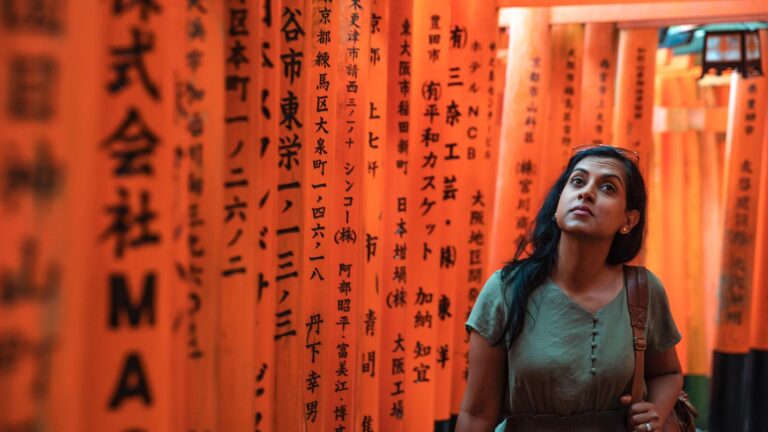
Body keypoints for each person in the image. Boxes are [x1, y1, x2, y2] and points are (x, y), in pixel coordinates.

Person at [456, 146, 683, 432]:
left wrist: (655, 413)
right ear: (558, 202)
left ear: (628, 220)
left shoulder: (643, 291)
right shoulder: (506, 289)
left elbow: (668, 372)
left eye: (608, 187)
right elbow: (477, 415)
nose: (586, 192)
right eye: (577, 181)